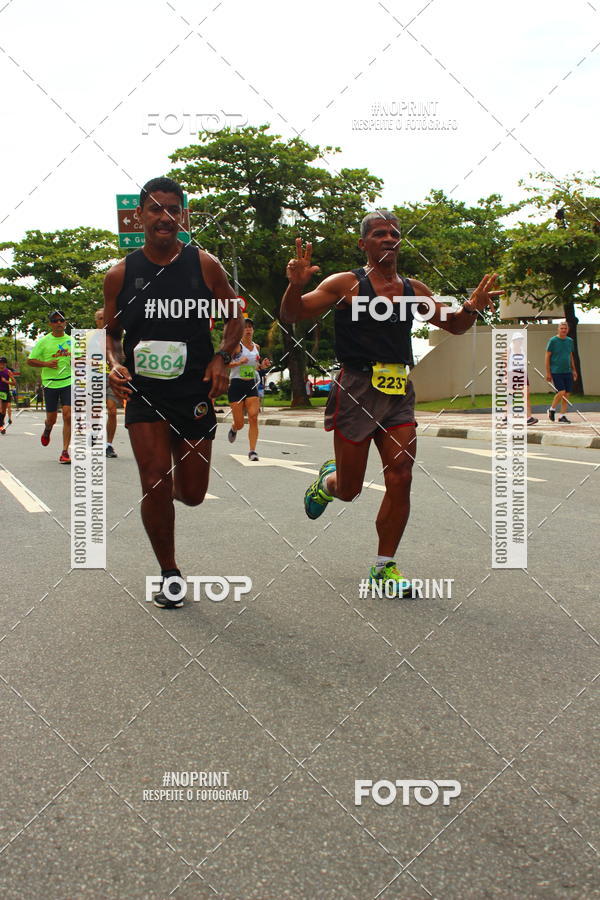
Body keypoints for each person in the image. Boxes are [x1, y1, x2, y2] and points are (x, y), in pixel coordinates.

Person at [280, 212, 502, 594]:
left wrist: (472, 307)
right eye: (379, 234)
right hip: (355, 387)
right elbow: (292, 313)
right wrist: (293, 287)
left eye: (394, 234)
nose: (388, 239)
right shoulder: (345, 284)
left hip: (398, 388)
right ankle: (327, 483)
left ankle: (384, 568)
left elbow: (454, 325)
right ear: (363, 244)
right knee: (350, 489)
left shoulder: (414, 289)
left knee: (400, 476)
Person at [103, 176, 244, 609]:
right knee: (154, 481)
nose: (164, 217)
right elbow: (109, 333)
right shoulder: (121, 274)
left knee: (194, 493)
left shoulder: (204, 264)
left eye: (172, 210)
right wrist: (113, 364)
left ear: (182, 215)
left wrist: (223, 355)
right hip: (144, 392)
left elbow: (234, 314)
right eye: (155, 209)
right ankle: (169, 573)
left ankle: (172, 497)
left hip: (193, 389)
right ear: (139, 215)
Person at [27, 311, 72, 463]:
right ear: (50, 324)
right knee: (51, 418)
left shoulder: (72, 341)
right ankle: (47, 429)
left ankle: (65, 451)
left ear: (65, 323)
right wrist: (46, 364)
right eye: (55, 321)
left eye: (61, 320)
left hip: (68, 381)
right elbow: (30, 360)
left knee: (68, 414)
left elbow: (81, 357)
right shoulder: (44, 341)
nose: (59, 323)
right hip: (50, 383)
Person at [226, 318, 271, 461]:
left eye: (250, 327)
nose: (248, 329)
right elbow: (225, 363)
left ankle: (252, 451)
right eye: (245, 327)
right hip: (236, 385)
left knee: (253, 417)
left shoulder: (256, 347)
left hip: (251, 384)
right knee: (240, 423)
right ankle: (234, 427)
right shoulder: (236, 346)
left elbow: (254, 367)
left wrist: (262, 366)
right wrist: (239, 362)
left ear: (253, 330)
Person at [94, 308, 120, 457]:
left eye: (107, 317)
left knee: (112, 410)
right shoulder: (89, 337)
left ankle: (108, 445)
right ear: (97, 321)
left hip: (111, 376)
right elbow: (77, 358)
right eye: (102, 318)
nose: (105, 321)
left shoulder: (116, 336)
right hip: (94, 376)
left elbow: (122, 355)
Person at [546, 321, 576, 424]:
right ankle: (552, 409)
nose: (563, 330)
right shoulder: (553, 341)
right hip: (556, 371)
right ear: (558, 329)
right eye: (562, 328)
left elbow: (570, 355)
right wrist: (548, 372)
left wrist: (574, 370)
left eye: (565, 328)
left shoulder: (569, 341)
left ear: (568, 330)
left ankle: (562, 415)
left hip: (567, 371)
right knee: (561, 392)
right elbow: (547, 356)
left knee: (567, 394)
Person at [0, 357, 14, 434]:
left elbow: (14, 383)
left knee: (3, 410)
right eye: (0, 363)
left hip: (5, 392)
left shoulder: (8, 372)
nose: (1, 364)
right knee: (0, 408)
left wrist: (6, 381)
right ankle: (1, 426)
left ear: (5, 364)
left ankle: (3, 422)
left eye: (3, 363)